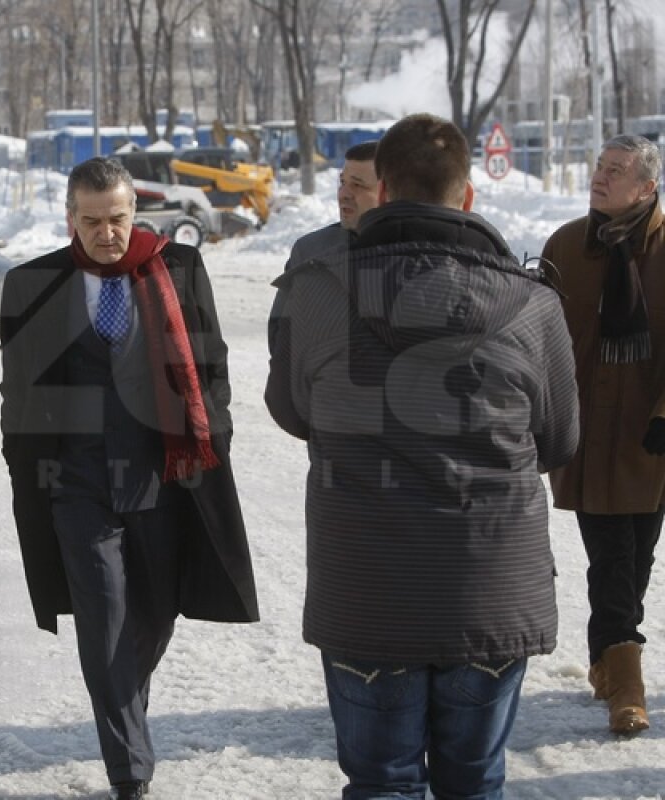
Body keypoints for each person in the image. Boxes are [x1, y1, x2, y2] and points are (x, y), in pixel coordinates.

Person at [266, 113, 579, 798]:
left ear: (382, 193)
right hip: (491, 589)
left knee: (381, 782)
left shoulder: (317, 289)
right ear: (467, 197)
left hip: (367, 588)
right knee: (474, 782)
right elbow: (560, 440)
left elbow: (291, 411)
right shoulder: (532, 303)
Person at [0, 157, 259, 800]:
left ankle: (123, 706)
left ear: (133, 212)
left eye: (117, 218)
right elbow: (17, 389)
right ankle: (129, 770)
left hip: (164, 477)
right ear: (69, 219)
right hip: (77, 482)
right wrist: (23, 462)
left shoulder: (180, 269)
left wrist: (210, 435)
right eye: (91, 221)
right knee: (104, 615)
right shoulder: (33, 283)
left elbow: (213, 365)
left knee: (155, 613)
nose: (107, 233)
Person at [540, 134, 665, 735]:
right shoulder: (565, 245)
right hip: (588, 438)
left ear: (646, 188)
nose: (601, 177)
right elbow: (536, 340)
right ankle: (627, 693)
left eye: (617, 171)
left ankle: (604, 662)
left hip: (651, 440)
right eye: (599, 166)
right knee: (613, 562)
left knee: (634, 561)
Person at [282, 140, 379, 271]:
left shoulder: (411, 257)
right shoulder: (309, 252)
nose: (343, 194)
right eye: (342, 182)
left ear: (389, 192)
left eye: (357, 185)